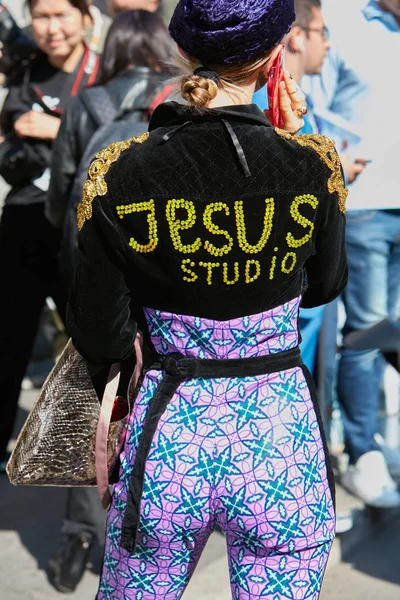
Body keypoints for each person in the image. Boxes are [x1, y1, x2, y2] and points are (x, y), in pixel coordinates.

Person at [68, 0, 348, 597]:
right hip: (279, 443)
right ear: (278, 53)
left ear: (185, 54)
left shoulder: (119, 171)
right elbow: (325, 286)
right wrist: (292, 145)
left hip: (168, 440)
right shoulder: (314, 164)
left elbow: (100, 333)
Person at [45, 11, 174, 593]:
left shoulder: (87, 103)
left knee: (93, 403)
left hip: (93, 283)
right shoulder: (179, 107)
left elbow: (59, 202)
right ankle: (148, 530)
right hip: (163, 289)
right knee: (154, 402)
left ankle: (78, 533)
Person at [306, 0, 400, 507]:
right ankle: (363, 452)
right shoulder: (344, 27)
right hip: (365, 207)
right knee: (367, 329)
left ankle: (381, 440)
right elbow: (313, 110)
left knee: (395, 328)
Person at [0, 0, 99, 474]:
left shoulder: (103, 72)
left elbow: (119, 138)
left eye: (62, 15)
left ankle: (98, 448)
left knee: (88, 343)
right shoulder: (26, 71)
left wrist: (54, 127)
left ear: (85, 16)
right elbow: (13, 131)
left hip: (80, 229)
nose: (52, 27)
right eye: (42, 16)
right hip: (24, 221)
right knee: (8, 338)